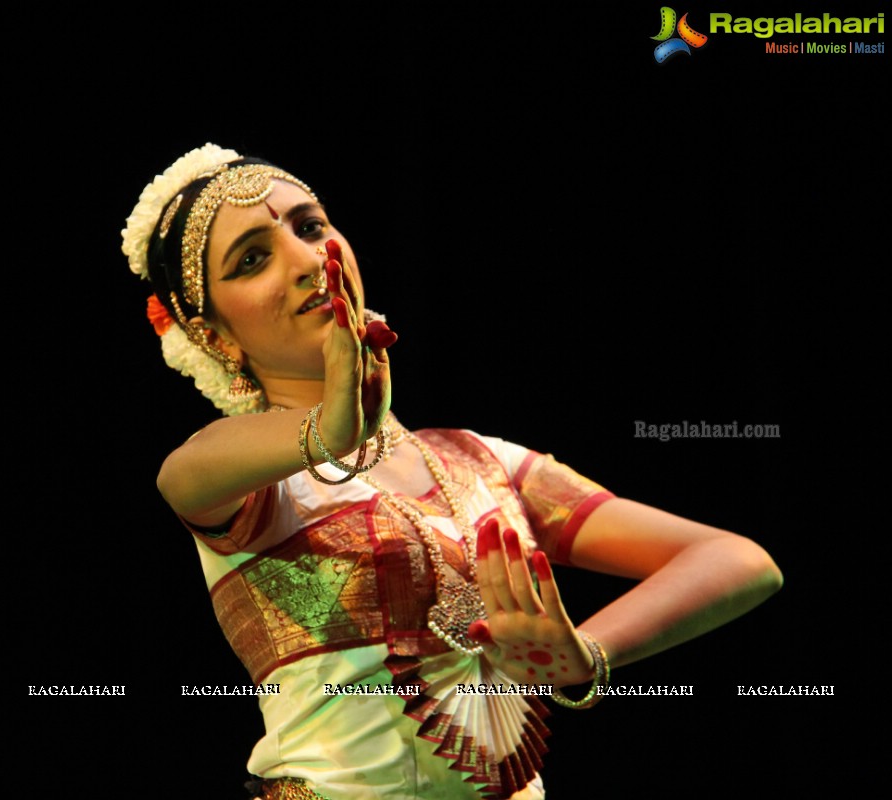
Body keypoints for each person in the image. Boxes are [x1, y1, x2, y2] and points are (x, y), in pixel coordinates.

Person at [121, 143, 782, 800]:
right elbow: (180, 479)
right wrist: (328, 429)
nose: (306, 260)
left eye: (310, 226)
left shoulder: (479, 459)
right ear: (211, 334)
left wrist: (581, 657)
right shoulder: (246, 481)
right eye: (253, 259)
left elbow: (738, 560)